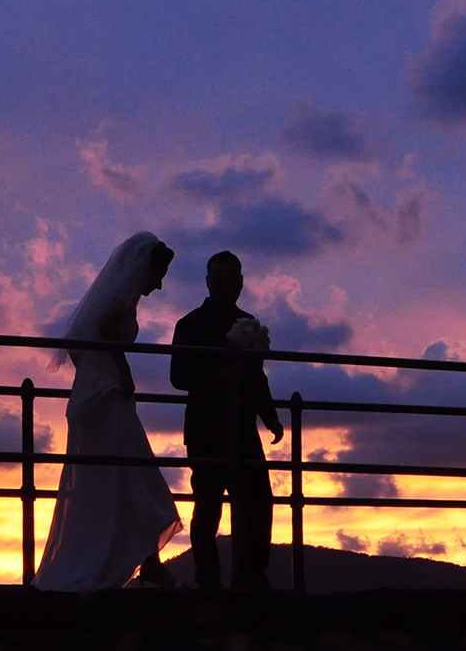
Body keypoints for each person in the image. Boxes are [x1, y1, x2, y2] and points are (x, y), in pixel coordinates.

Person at [32, 232, 182, 592]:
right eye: (157, 275)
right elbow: (100, 329)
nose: (159, 285)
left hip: (101, 395)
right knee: (132, 476)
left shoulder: (118, 299)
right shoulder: (118, 302)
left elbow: (82, 344)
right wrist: (121, 370)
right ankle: (147, 562)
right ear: (145, 270)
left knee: (121, 479)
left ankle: (148, 561)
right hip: (108, 397)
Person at [169, 250, 284, 590]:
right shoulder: (188, 325)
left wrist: (269, 415)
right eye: (218, 281)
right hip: (206, 429)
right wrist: (217, 375)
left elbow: (256, 376)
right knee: (207, 510)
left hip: (243, 427)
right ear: (208, 283)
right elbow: (178, 375)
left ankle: (251, 575)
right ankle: (208, 582)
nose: (224, 287)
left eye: (231, 280)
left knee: (259, 503)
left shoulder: (247, 322)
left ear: (240, 283)